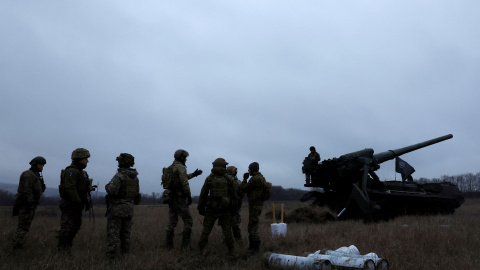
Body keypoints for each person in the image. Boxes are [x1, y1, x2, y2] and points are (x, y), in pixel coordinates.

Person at [197, 158, 237, 255]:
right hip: (225, 209)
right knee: (227, 231)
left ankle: (200, 250)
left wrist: (201, 207)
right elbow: (234, 196)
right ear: (223, 166)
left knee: (206, 230)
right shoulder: (228, 178)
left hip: (211, 209)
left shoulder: (209, 178)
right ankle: (231, 252)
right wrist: (233, 209)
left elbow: (203, 194)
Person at [105, 153, 141, 259]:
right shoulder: (135, 177)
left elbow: (112, 190)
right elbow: (136, 194)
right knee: (126, 234)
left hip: (117, 208)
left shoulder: (119, 176)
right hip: (129, 208)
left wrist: (107, 185)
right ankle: (125, 254)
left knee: (113, 233)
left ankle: (111, 258)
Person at [165, 149, 202, 250]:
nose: (186, 159)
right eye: (185, 157)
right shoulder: (181, 167)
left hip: (171, 198)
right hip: (180, 198)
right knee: (188, 221)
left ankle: (168, 246)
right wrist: (189, 196)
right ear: (181, 157)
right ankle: (185, 247)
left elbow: (181, 178)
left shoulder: (170, 167)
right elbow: (184, 182)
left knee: (172, 222)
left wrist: (194, 175)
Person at [57, 148, 92, 253]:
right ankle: (63, 250)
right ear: (79, 159)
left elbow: (81, 190)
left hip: (77, 204)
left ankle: (67, 247)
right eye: (85, 159)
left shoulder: (81, 172)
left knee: (75, 226)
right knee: (67, 227)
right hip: (70, 204)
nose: (87, 161)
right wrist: (78, 201)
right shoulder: (71, 171)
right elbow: (70, 188)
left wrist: (85, 202)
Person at [12, 156, 47, 249]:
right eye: (40, 165)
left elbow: (39, 190)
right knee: (23, 226)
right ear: (35, 164)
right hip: (26, 204)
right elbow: (27, 190)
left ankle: (17, 243)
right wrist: (30, 202)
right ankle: (16, 245)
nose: (42, 167)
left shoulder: (35, 175)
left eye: (42, 165)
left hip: (30, 204)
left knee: (25, 225)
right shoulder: (28, 175)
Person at [241, 162, 267, 255]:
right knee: (251, 225)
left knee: (253, 227)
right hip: (257, 204)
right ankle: (252, 247)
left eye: (249, 169)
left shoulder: (254, 179)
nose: (248, 170)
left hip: (255, 205)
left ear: (252, 169)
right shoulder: (261, 177)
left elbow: (244, 188)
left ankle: (255, 249)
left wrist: (244, 179)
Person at [221, 165, 244, 245]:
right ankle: (239, 241)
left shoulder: (222, 181)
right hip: (235, 207)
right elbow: (242, 194)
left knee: (225, 225)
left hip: (225, 206)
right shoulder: (237, 182)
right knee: (236, 225)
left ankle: (225, 241)